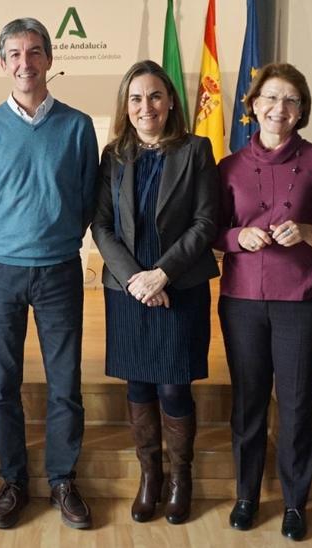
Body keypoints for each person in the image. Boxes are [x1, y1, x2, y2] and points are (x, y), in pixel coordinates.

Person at [0, 17, 100, 531]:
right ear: (4, 63)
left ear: (49, 59)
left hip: (59, 270)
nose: (26, 62)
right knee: (4, 383)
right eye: (15, 54)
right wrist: (10, 239)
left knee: (65, 382)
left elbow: (87, 196)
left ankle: (63, 479)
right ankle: (14, 481)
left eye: (35, 52)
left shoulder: (77, 125)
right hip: (0, 270)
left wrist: (55, 238)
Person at [213, 63, 312, 541]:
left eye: (290, 100)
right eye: (270, 98)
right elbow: (211, 231)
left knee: (295, 403)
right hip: (242, 300)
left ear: (301, 109)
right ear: (252, 106)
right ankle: (246, 495)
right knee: (247, 403)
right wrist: (236, 235)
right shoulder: (228, 167)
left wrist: (308, 232)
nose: (279, 108)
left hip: (302, 301)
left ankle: (294, 502)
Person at [90, 60, 218, 526]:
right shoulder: (114, 156)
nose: (147, 106)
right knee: (139, 384)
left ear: (170, 102)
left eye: (156, 96)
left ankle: (182, 478)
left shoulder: (196, 150)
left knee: (173, 383)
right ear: (127, 106)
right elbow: (101, 225)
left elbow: (207, 222)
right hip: (127, 289)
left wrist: (161, 275)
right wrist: (135, 280)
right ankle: (151, 477)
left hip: (179, 285)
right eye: (137, 98)